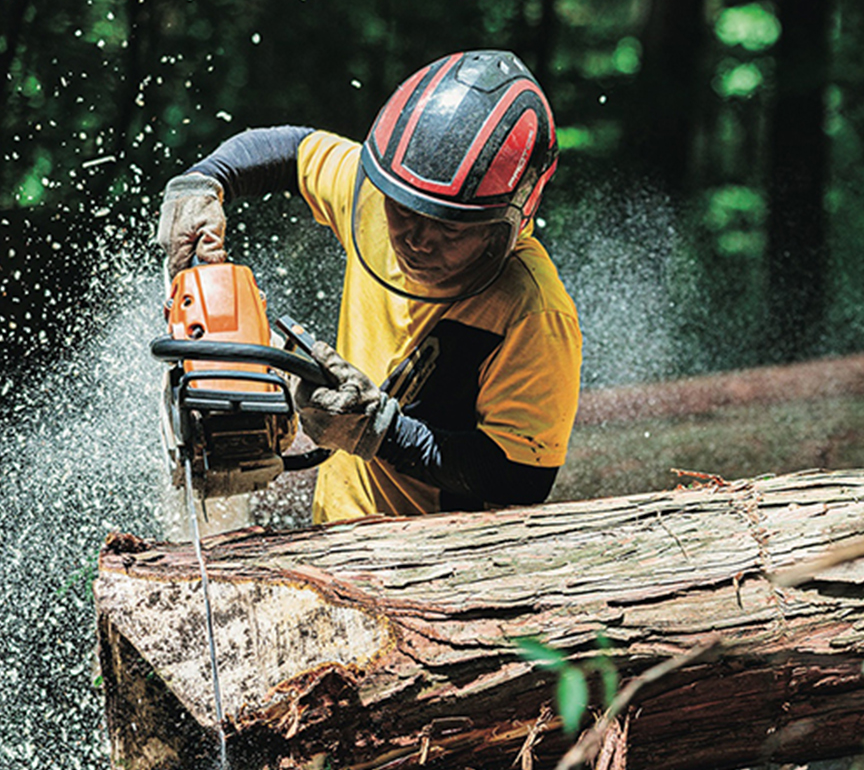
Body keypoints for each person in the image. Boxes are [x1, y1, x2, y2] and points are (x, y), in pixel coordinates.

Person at [155, 50, 583, 523]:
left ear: (506, 223)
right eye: (403, 213)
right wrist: (206, 182)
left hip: (441, 569)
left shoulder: (534, 311)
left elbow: (524, 476)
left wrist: (382, 433)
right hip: (332, 543)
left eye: (451, 229)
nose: (418, 239)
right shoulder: (379, 194)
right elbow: (294, 150)